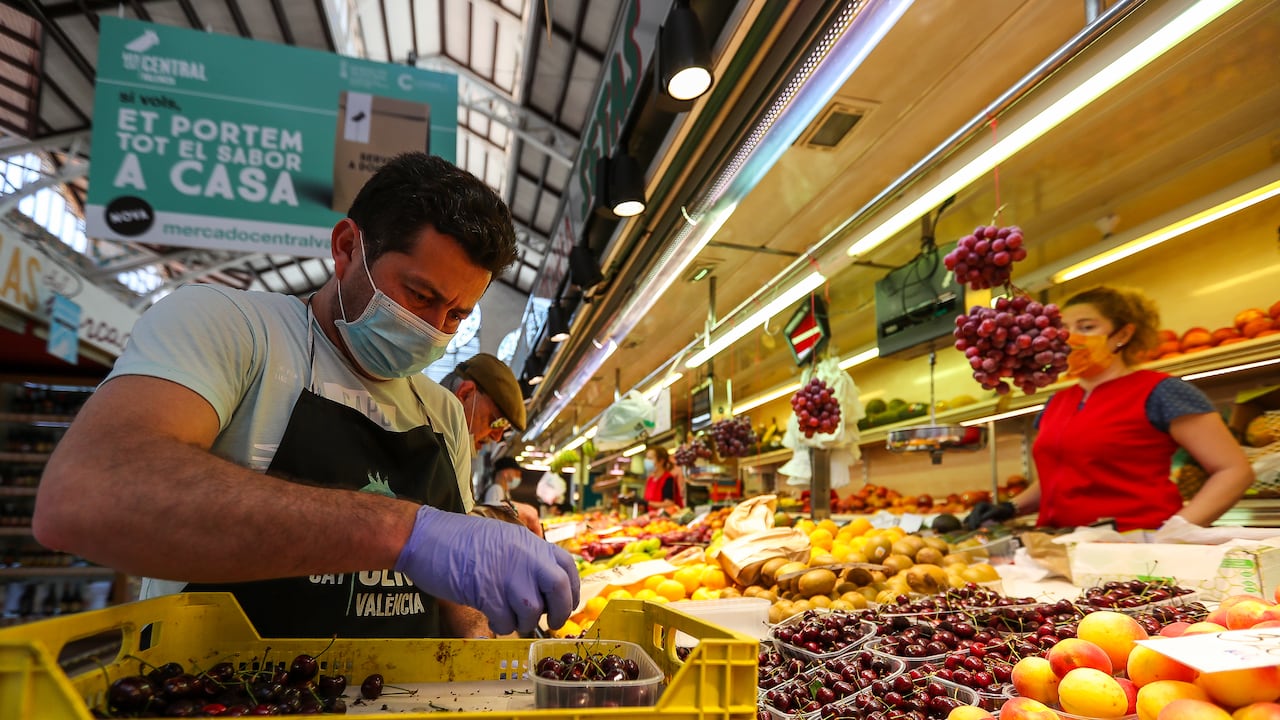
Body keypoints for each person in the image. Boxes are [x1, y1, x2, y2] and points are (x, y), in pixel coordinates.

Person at [33, 152, 578, 639]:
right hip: (224, 695)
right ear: (346, 249)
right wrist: (403, 530)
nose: (435, 328)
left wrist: (499, 633)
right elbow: (86, 494)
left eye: (456, 314)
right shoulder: (233, 328)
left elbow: (456, 600)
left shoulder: (440, 415)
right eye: (419, 294)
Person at [965, 286, 1253, 533]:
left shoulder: (1162, 392)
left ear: (1123, 334)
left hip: (1135, 552)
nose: (1071, 337)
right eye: (1063, 329)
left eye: (1087, 327)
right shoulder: (1058, 402)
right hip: (1058, 546)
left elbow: (1233, 471)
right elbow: (1060, 479)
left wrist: (1173, 533)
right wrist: (1009, 508)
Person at [642, 446, 683, 511]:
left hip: (667, 519)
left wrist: (647, 503)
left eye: (650, 458)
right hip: (653, 519)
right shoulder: (650, 480)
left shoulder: (668, 479)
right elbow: (647, 505)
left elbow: (669, 504)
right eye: (646, 458)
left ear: (661, 461)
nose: (647, 461)